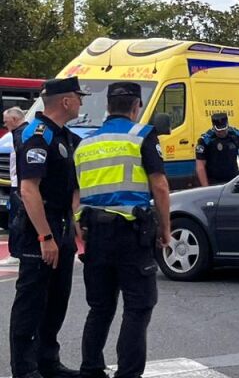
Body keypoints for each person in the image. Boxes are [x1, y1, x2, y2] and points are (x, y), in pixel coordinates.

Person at [73, 82, 172, 378]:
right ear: (136, 106)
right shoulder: (142, 135)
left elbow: (75, 193)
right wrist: (165, 229)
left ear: (107, 107)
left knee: (100, 308)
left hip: (95, 234)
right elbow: (160, 186)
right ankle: (128, 374)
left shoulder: (85, 143)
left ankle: (91, 370)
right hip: (131, 234)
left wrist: (80, 227)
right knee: (138, 306)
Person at [9, 78, 86, 378]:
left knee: (57, 299)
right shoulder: (37, 134)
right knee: (31, 301)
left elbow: (73, 188)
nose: (81, 102)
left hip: (61, 225)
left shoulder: (67, 137)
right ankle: (25, 368)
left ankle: (48, 361)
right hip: (38, 229)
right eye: (78, 97)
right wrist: (45, 236)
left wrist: (76, 224)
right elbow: (29, 189)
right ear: (66, 101)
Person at [196, 112, 239, 186]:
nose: (222, 132)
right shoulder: (205, 140)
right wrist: (206, 187)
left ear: (227, 124)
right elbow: (200, 165)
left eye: (224, 129)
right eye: (219, 130)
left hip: (233, 180)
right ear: (213, 126)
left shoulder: (235, 134)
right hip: (214, 181)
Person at [4, 107, 26, 219]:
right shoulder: (18, 134)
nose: (5, 125)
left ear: (14, 119)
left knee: (16, 222)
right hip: (17, 183)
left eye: (6, 122)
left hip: (19, 185)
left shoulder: (20, 135)